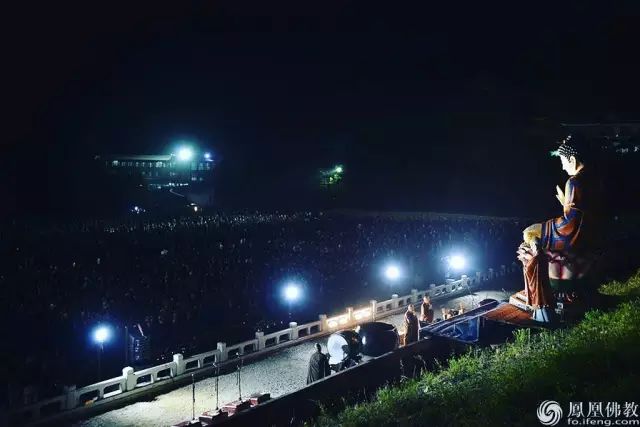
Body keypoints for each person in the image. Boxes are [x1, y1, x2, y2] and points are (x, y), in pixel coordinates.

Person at [519, 134, 602, 321]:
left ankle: (542, 293)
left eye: (564, 161)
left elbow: (571, 223)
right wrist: (567, 203)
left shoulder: (575, 181)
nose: (563, 166)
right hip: (593, 232)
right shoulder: (595, 178)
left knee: (529, 233)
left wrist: (548, 227)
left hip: (574, 235)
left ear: (572, 159)